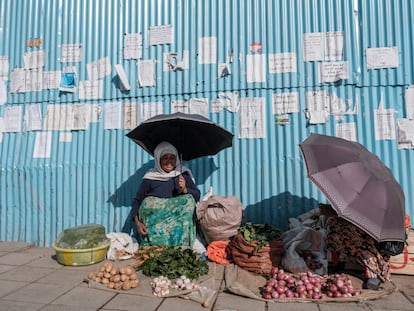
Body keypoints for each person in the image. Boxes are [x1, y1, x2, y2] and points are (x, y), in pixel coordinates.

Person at [131, 141, 201, 246]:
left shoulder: (183, 175)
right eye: (165, 158)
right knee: (147, 202)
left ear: (176, 159)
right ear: (159, 160)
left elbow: (197, 195)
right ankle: (154, 246)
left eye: (172, 158)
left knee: (188, 200)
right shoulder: (150, 177)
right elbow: (138, 200)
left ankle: (180, 247)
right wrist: (137, 223)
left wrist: (185, 190)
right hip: (153, 232)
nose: (169, 162)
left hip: (177, 231)